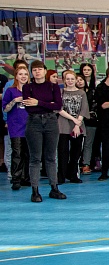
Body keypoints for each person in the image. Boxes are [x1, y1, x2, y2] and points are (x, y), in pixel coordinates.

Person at [22, 60, 66, 202]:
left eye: (40, 69)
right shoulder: (27, 87)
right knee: (35, 157)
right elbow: (29, 107)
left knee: (51, 157)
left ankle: (54, 188)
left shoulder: (53, 87)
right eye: (34, 70)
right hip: (34, 122)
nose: (37, 72)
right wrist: (47, 104)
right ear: (31, 72)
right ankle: (35, 190)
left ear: (45, 71)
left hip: (51, 121)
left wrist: (38, 102)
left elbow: (58, 105)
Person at [57, 70, 89, 184]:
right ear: (64, 80)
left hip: (78, 125)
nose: (70, 81)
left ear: (75, 80)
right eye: (68, 79)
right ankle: (61, 176)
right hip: (63, 125)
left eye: (72, 79)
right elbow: (59, 108)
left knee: (76, 152)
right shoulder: (61, 92)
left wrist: (77, 124)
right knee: (62, 152)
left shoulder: (82, 93)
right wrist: (73, 119)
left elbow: (84, 109)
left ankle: (73, 174)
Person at [2, 65, 30, 190]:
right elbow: (5, 108)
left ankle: (26, 177)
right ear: (16, 76)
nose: (23, 76)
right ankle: (16, 179)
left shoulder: (31, 90)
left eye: (25, 74)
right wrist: (15, 101)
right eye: (20, 74)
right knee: (17, 152)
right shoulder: (10, 91)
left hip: (30, 126)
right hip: (16, 126)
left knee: (28, 153)